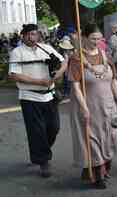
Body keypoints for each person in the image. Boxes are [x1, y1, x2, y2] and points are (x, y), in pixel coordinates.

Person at [8, 24, 65, 178]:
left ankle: (41, 151)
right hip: (29, 97)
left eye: (34, 34)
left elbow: (64, 61)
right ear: (23, 36)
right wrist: (40, 82)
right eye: (29, 34)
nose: (32, 37)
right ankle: (43, 161)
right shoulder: (17, 52)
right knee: (36, 131)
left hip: (49, 96)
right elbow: (15, 75)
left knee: (54, 127)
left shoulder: (46, 48)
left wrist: (57, 75)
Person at [68, 23, 117, 189]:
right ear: (84, 38)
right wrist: (84, 108)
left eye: (99, 38)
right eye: (93, 39)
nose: (96, 42)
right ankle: (98, 175)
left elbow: (114, 82)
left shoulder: (106, 56)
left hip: (109, 105)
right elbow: (75, 87)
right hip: (89, 106)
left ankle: (106, 167)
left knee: (112, 137)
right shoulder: (77, 58)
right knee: (93, 140)